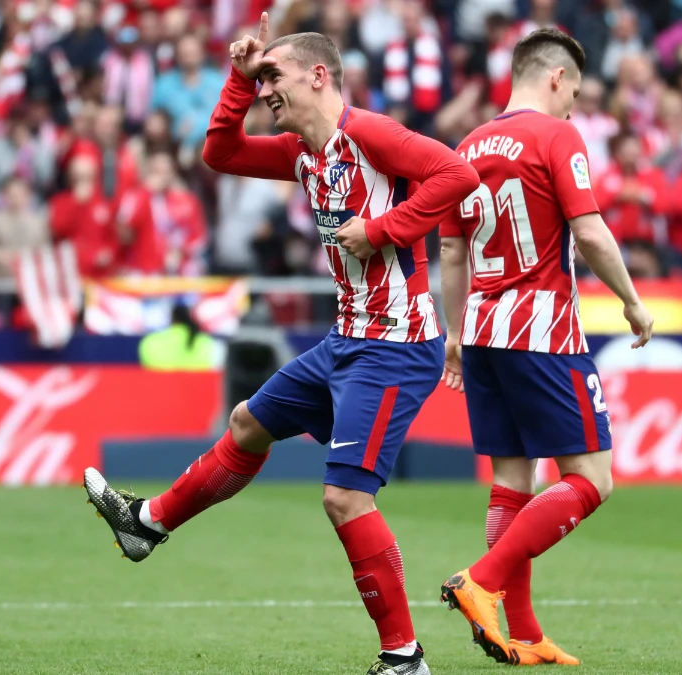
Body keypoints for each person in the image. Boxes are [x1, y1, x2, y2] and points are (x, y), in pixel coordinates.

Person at [82, 13, 479, 675]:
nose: (265, 88)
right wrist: (236, 81)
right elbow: (220, 153)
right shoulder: (305, 153)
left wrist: (381, 230)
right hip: (346, 340)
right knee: (246, 422)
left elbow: (458, 176)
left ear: (318, 76)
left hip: (395, 345)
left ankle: (404, 658)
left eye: (274, 75)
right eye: (260, 77)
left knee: (345, 496)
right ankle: (147, 523)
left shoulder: (370, 135)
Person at [437, 28, 654, 666]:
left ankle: (525, 633)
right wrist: (631, 299)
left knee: (512, 483)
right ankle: (481, 580)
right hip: (542, 330)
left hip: (479, 330)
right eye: (575, 95)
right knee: (591, 479)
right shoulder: (557, 136)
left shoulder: (467, 145)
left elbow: (450, 250)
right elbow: (588, 233)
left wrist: (453, 336)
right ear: (556, 77)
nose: (574, 109)